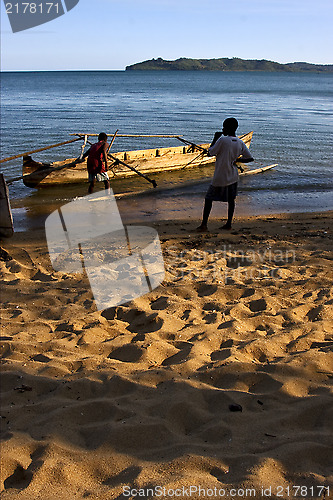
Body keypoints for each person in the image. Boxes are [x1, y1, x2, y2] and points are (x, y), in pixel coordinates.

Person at [197, 118, 253, 232]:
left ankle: (204, 225)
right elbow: (249, 158)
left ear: (228, 128)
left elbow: (210, 152)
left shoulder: (222, 140)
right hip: (232, 176)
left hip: (220, 176)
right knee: (231, 200)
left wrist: (215, 138)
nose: (222, 129)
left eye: (224, 127)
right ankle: (228, 224)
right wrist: (236, 161)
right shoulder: (240, 142)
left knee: (208, 199)